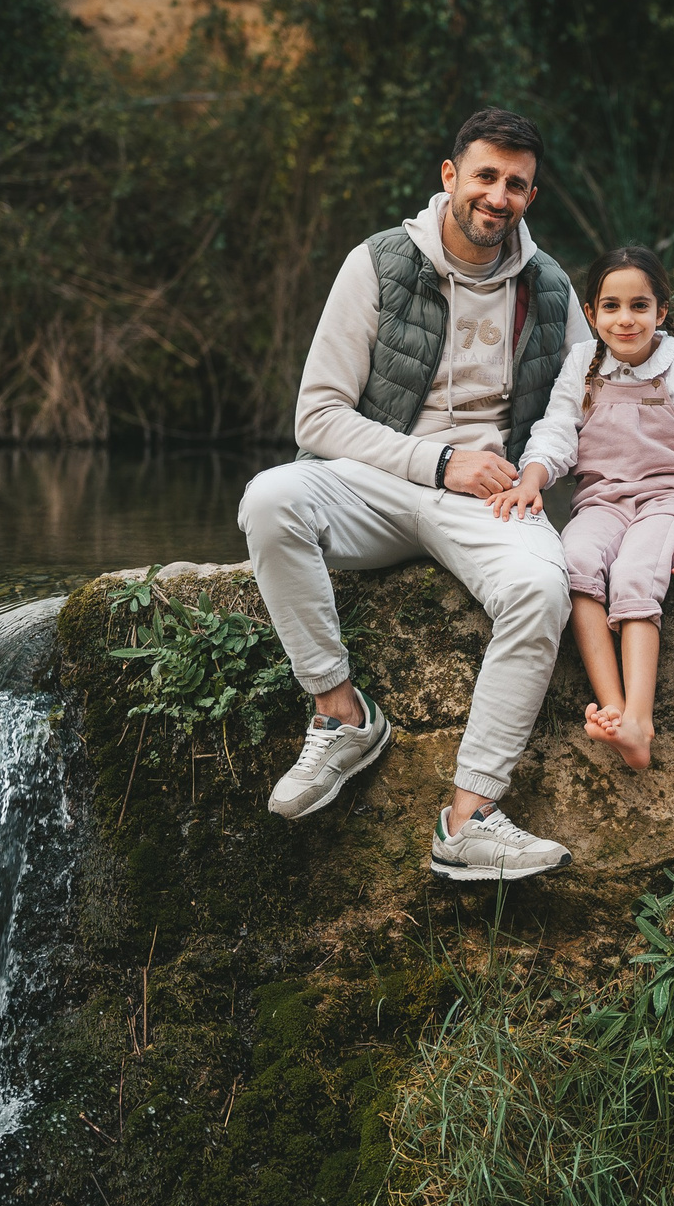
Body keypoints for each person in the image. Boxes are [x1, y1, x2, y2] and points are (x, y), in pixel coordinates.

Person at [236, 107, 581, 883]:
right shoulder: (379, 263)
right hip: (379, 480)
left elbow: (571, 404)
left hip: (490, 496)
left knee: (538, 589)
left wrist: (537, 472)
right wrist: (436, 461)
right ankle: (341, 716)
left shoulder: (552, 287)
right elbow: (318, 416)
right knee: (269, 500)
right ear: (451, 177)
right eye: (486, 177)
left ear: (532, 196)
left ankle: (470, 819)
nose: (500, 197)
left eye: (517, 185)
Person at [491, 247, 674, 770]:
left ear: (661, 312)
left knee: (635, 573)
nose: (626, 319)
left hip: (666, 500)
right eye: (611, 306)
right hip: (600, 500)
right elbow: (557, 430)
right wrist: (532, 477)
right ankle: (615, 707)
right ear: (592, 311)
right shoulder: (582, 364)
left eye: (640, 306)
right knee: (572, 562)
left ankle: (641, 722)